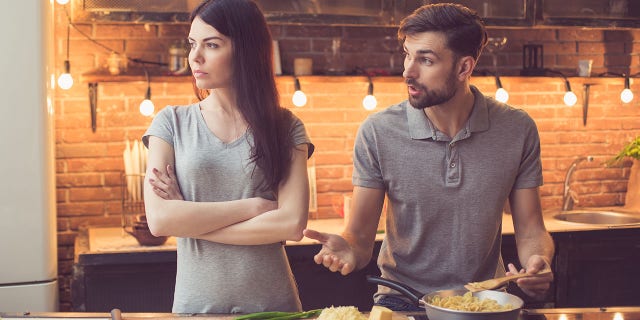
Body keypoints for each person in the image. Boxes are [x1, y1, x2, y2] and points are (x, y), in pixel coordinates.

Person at [303, 3, 554, 311]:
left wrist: (537, 260)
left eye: (426, 59)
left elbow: (532, 229)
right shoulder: (378, 132)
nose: (408, 70)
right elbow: (359, 237)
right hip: (401, 300)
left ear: (464, 68)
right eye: (407, 54)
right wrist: (349, 251)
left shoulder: (517, 129)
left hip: (483, 302)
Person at [142, 0, 314, 314]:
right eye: (192, 44)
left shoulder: (287, 127)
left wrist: (190, 220)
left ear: (246, 49)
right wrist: (255, 207)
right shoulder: (170, 123)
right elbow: (160, 220)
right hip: (196, 308)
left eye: (212, 44)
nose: (195, 56)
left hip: (273, 309)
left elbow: (290, 224)